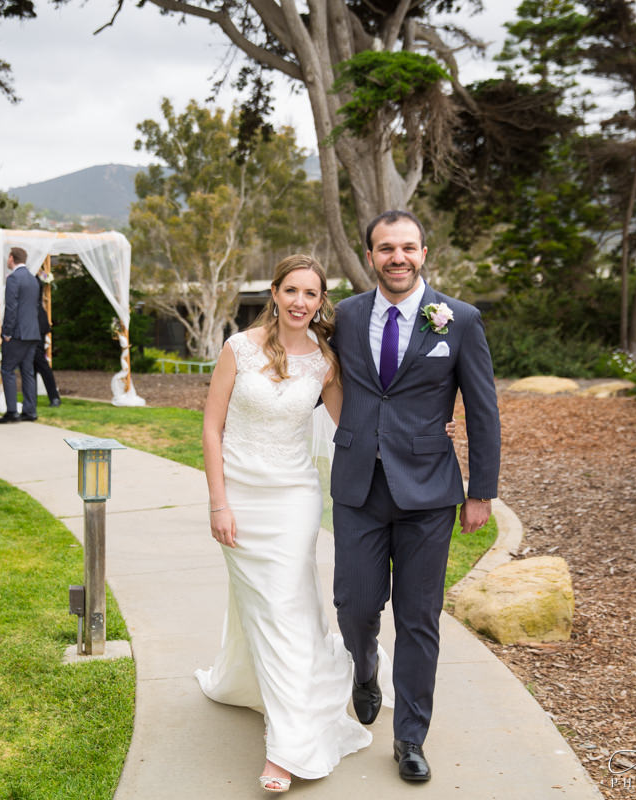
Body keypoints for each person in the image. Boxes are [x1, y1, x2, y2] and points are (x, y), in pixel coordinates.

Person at [329, 210, 501, 783]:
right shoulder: (346, 317)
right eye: (385, 249)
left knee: (419, 616)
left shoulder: (461, 320)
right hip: (358, 488)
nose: (396, 258)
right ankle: (364, 667)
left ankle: (410, 737)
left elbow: (482, 412)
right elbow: (308, 368)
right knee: (354, 606)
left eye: (407, 247)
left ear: (424, 252)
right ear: (370, 255)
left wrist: (482, 493)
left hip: (428, 493)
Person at [198, 255, 371, 794]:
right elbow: (211, 426)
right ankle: (260, 685)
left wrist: (425, 421)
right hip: (242, 497)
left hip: (295, 498)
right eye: (291, 290)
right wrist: (218, 503)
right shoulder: (238, 349)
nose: (300, 302)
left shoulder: (325, 361)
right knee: (265, 606)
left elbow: (354, 425)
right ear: (274, 292)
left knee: (283, 604)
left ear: (322, 302)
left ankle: (288, 747)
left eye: (311, 294)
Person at [0, 247, 40, 424]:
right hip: (33, 332)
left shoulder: (14, 278)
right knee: (27, 371)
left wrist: (7, 331)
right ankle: (30, 410)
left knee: (7, 369)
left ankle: (12, 411)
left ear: (12, 258)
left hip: (18, 333)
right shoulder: (32, 278)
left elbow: (11, 308)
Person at [33, 268, 61, 407]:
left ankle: (54, 396)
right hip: (29, 325)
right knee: (30, 363)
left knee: (40, 361)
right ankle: (31, 398)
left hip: (37, 324)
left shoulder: (34, 279)